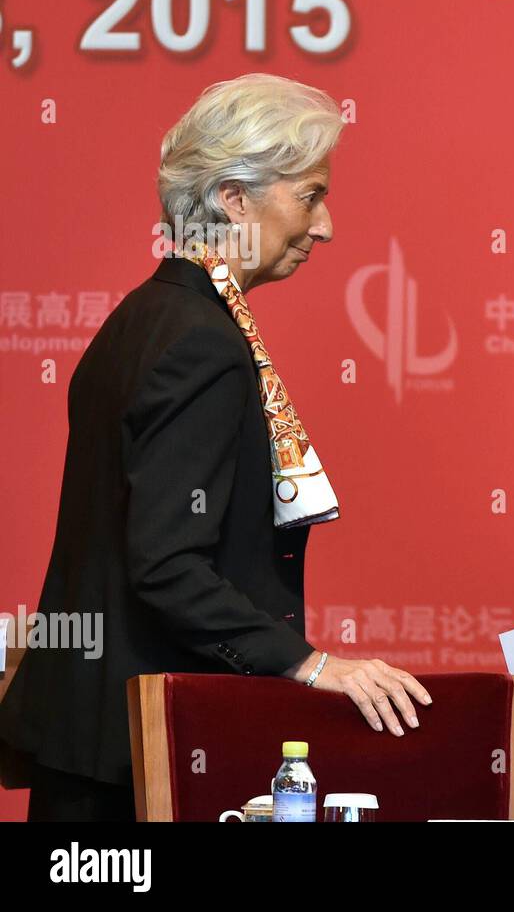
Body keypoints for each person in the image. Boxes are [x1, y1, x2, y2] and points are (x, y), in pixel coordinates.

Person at [0, 74, 430, 821]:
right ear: (234, 199)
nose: (324, 226)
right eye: (310, 195)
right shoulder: (200, 341)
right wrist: (310, 664)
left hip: (100, 742)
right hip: (140, 759)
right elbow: (165, 563)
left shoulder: (142, 317)